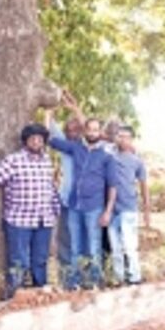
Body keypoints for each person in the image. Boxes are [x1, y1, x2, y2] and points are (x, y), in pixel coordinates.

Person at [0, 123, 61, 297]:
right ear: (25, 141)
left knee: (40, 260)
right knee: (19, 261)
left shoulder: (46, 160)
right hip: (19, 220)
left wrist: (56, 209)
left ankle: (40, 294)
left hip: (44, 219)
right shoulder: (14, 161)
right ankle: (15, 296)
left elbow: (51, 187)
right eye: (32, 139)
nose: (36, 142)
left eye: (39, 139)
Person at [46, 112, 112, 289]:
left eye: (95, 130)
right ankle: (73, 283)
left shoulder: (106, 153)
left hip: (94, 206)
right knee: (73, 246)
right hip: (73, 204)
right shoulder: (75, 148)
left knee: (93, 245)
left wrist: (107, 210)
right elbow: (51, 140)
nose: (92, 133)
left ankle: (93, 282)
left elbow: (112, 184)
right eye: (89, 129)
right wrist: (48, 114)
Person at [101, 125, 150, 286]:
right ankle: (118, 278)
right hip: (111, 209)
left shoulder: (137, 161)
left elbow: (143, 186)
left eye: (126, 137)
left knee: (130, 247)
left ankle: (135, 277)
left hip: (128, 208)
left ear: (131, 139)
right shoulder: (110, 156)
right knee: (115, 248)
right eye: (120, 136)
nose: (122, 140)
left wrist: (146, 211)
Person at [46, 113, 84, 286]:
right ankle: (67, 279)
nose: (72, 133)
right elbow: (50, 131)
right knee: (65, 240)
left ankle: (82, 278)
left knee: (83, 241)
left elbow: (90, 127)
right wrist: (49, 113)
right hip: (67, 200)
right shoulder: (65, 146)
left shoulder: (85, 148)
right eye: (69, 130)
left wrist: (76, 109)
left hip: (86, 202)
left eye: (76, 130)